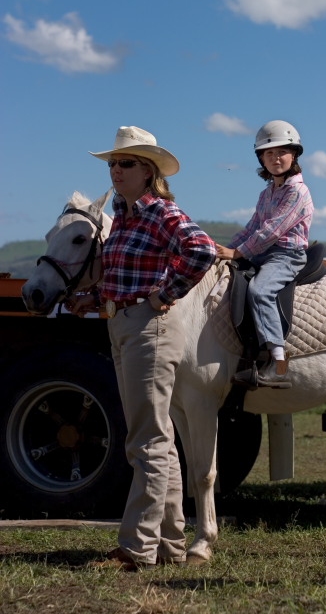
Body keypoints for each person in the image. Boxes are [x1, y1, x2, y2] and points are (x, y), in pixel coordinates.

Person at [68, 125, 217, 570]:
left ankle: (136, 548)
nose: (116, 169)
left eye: (126, 163)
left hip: (149, 327)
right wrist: (93, 299)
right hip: (126, 324)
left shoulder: (157, 212)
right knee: (159, 439)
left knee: (146, 440)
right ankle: (170, 544)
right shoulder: (127, 214)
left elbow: (201, 249)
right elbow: (126, 277)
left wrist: (166, 294)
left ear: (148, 172)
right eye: (113, 163)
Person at [216, 120, 313, 388]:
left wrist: (237, 252)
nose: (275, 158)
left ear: (294, 155)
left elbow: (271, 231)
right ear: (261, 159)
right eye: (268, 153)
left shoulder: (298, 192)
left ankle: (278, 362)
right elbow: (252, 227)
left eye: (281, 152)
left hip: (285, 255)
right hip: (262, 253)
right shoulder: (266, 193)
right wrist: (223, 250)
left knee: (260, 291)